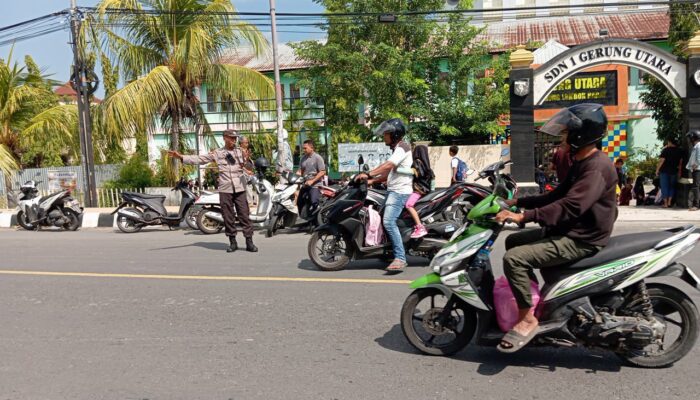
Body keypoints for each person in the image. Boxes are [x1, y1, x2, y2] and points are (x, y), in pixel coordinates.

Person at [493, 104, 617, 353]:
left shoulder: (596, 167)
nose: (561, 138)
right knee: (513, 242)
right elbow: (556, 196)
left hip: (583, 238)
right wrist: (517, 202)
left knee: (514, 259)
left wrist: (523, 217)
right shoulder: (583, 162)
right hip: (574, 229)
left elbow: (571, 206)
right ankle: (534, 299)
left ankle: (528, 319)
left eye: (565, 133)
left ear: (580, 136)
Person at [168, 129, 258, 253]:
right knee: (228, 216)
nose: (234, 140)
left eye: (235, 138)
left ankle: (249, 242)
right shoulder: (218, 153)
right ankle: (233, 242)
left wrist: (247, 160)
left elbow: (248, 168)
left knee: (244, 215)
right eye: (231, 138)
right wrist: (181, 157)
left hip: (240, 188)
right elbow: (200, 159)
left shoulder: (240, 152)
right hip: (225, 189)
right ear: (225, 138)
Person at [356, 118, 413, 272]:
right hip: (393, 190)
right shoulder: (398, 149)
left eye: (386, 134)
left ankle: (400, 258)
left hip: (400, 192)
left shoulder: (403, 148)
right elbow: (389, 173)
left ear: (394, 135)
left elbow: (388, 165)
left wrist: (368, 173)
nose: (384, 137)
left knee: (388, 221)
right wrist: (371, 180)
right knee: (380, 215)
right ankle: (388, 251)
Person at [397, 144, 435, 239]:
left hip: (418, 190)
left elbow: (413, 172)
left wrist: (396, 169)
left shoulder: (418, 162)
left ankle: (419, 227)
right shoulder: (428, 167)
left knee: (408, 205)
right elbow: (433, 182)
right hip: (425, 192)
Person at [297, 139, 326, 215]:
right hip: (305, 184)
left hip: (315, 185)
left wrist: (312, 181)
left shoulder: (317, 158)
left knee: (314, 202)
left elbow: (323, 171)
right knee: (299, 202)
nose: (304, 150)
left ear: (311, 148)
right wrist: (295, 176)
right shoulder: (303, 158)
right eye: (303, 148)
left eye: (305, 148)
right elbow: (300, 171)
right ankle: (304, 219)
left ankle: (317, 221)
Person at [656, 138, 683, 208]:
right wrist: (679, 172)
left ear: (671, 143)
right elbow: (680, 163)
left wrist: (657, 170)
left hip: (664, 171)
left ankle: (665, 203)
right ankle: (669, 202)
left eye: (668, 142)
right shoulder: (680, 151)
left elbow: (661, 160)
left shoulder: (665, 150)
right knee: (672, 186)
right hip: (674, 171)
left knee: (664, 187)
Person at [686, 130, 700, 211]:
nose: (689, 139)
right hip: (696, 169)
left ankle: (697, 205)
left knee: (696, 187)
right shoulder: (697, 146)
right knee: (696, 187)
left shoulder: (698, 146)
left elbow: (699, 157)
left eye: (690, 137)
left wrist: (696, 165)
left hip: (697, 169)